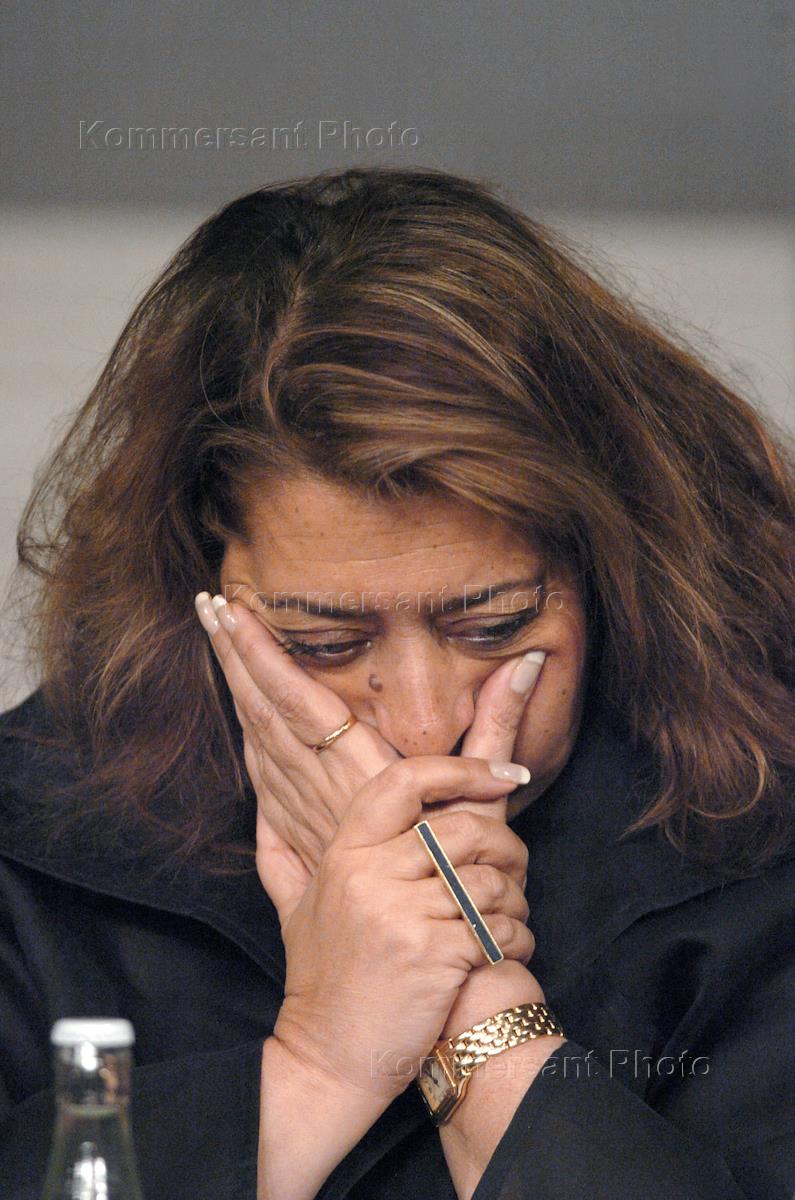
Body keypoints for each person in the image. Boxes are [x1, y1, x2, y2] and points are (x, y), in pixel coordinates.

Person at [0, 166, 793, 1200]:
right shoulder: (31, 856)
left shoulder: (766, 841)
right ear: (198, 586)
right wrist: (316, 1068)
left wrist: (481, 1025)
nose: (423, 726)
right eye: (322, 641)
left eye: (494, 626)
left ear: (610, 569)